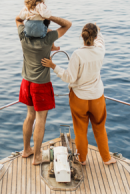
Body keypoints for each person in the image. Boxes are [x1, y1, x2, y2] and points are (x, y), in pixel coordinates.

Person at [41, 23, 117, 165]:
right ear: (94, 37)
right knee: (100, 128)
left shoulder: (78, 55)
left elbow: (69, 78)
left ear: (81, 36)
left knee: (81, 130)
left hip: (79, 99)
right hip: (97, 98)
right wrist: (98, 30)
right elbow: (100, 41)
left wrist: (53, 66)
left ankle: (82, 159)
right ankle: (106, 158)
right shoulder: (100, 50)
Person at [16, 7, 72, 165]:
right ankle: (38, 155)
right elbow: (67, 24)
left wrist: (26, 13)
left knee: (30, 116)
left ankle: (26, 149)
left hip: (26, 82)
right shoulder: (47, 39)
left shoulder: (23, 37)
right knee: (40, 119)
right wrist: (50, 16)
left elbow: (18, 20)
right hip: (40, 85)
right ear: (44, 25)